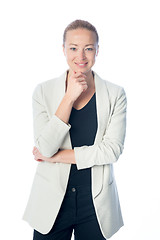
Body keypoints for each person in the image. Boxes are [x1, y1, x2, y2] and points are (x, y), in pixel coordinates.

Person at [23, 19, 127, 240]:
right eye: (73, 48)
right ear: (63, 50)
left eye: (88, 48)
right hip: (51, 202)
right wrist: (69, 97)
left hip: (96, 204)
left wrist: (57, 156)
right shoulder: (43, 91)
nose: (81, 56)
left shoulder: (116, 94)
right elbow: (44, 146)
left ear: (97, 51)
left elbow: (111, 150)